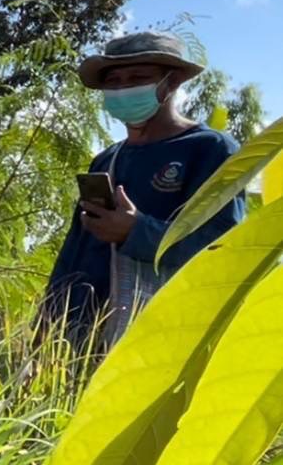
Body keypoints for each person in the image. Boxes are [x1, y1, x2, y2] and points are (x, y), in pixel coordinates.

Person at [43, 31, 243, 349]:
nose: (123, 88)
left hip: (157, 343)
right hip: (78, 339)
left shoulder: (212, 150)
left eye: (137, 77)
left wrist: (137, 232)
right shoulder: (106, 160)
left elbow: (225, 251)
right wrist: (47, 323)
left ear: (172, 82)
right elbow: (74, 250)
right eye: (114, 81)